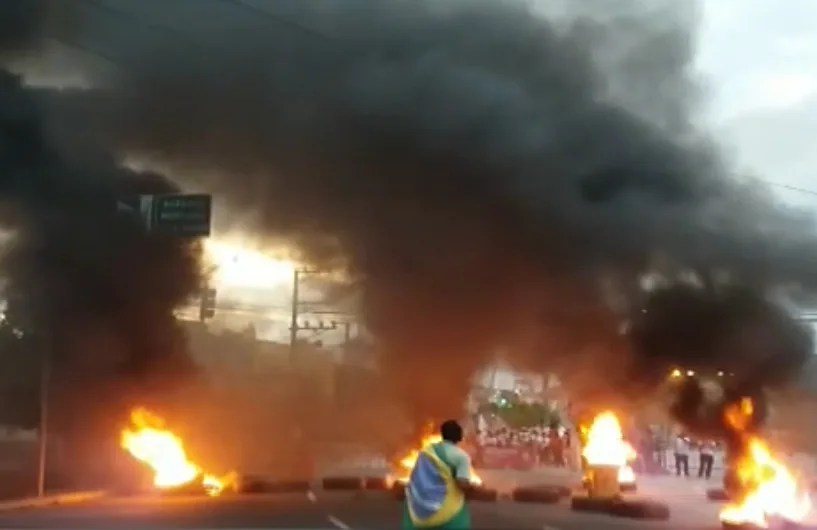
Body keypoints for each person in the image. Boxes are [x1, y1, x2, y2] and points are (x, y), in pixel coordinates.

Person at [402, 420, 475, 530]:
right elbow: (462, 483)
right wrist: (475, 490)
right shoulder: (461, 456)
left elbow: (417, 477)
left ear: (442, 434)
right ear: (460, 436)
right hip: (449, 511)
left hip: (421, 507)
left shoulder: (426, 451)